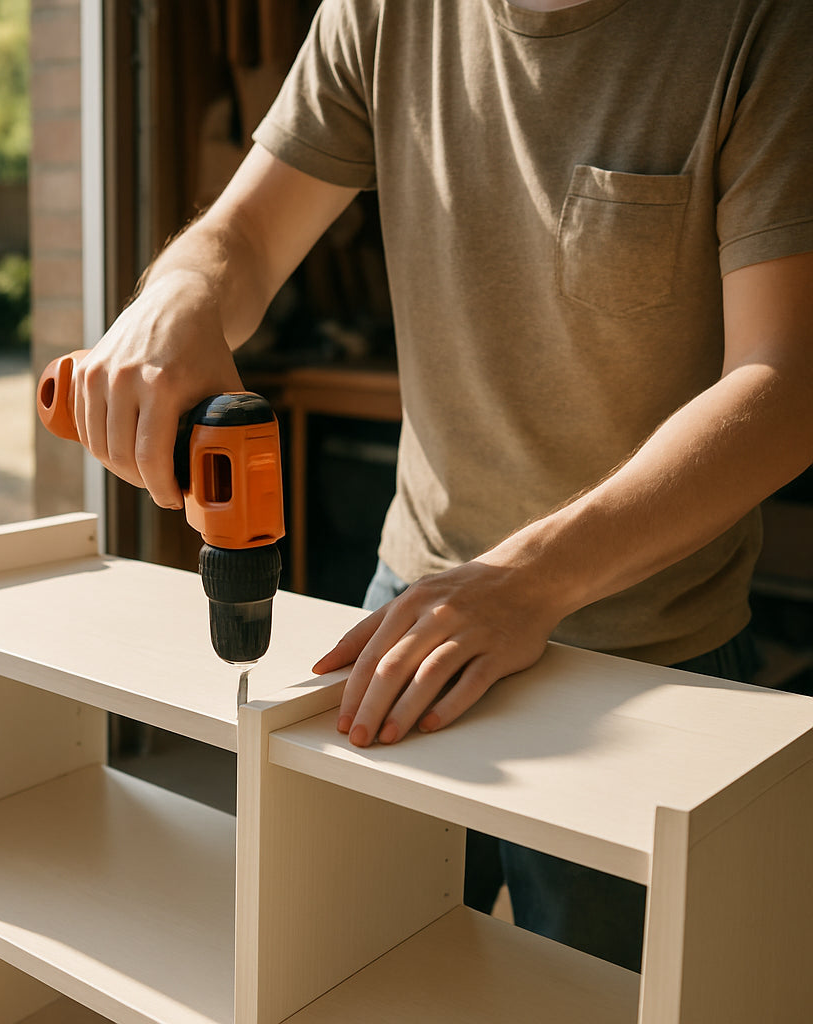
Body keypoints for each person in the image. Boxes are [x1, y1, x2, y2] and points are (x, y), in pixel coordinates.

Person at [70, 0, 813, 971]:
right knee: (348, 968)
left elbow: (787, 383)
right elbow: (245, 235)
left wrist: (528, 580)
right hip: (408, 610)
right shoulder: (382, 12)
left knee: (595, 992)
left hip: (647, 655)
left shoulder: (764, 27)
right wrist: (182, 290)